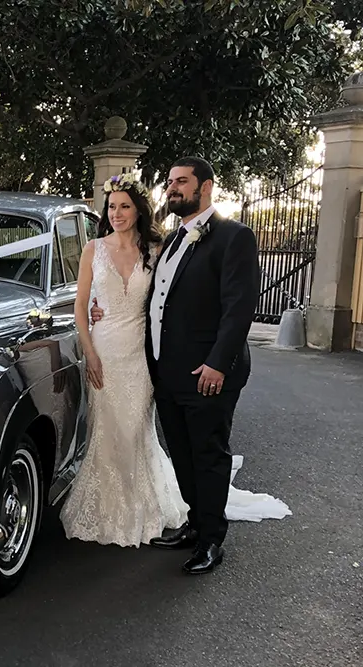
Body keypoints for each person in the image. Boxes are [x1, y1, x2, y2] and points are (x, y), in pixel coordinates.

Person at [88, 157, 290, 574]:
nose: (173, 189)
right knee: (181, 451)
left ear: (207, 187)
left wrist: (218, 363)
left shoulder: (234, 237)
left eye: (182, 182)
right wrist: (97, 309)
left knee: (208, 453)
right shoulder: (170, 241)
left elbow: (238, 309)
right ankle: (194, 524)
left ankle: (212, 541)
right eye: (170, 182)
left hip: (208, 373)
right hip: (165, 371)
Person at [59, 171, 189, 550]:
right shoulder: (93, 250)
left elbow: (168, 299)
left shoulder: (156, 249)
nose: (116, 213)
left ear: (138, 210)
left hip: (141, 352)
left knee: (136, 429)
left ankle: (142, 505)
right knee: (108, 429)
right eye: (112, 207)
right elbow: (80, 307)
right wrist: (90, 352)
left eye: (124, 206)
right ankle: (108, 508)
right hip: (104, 351)